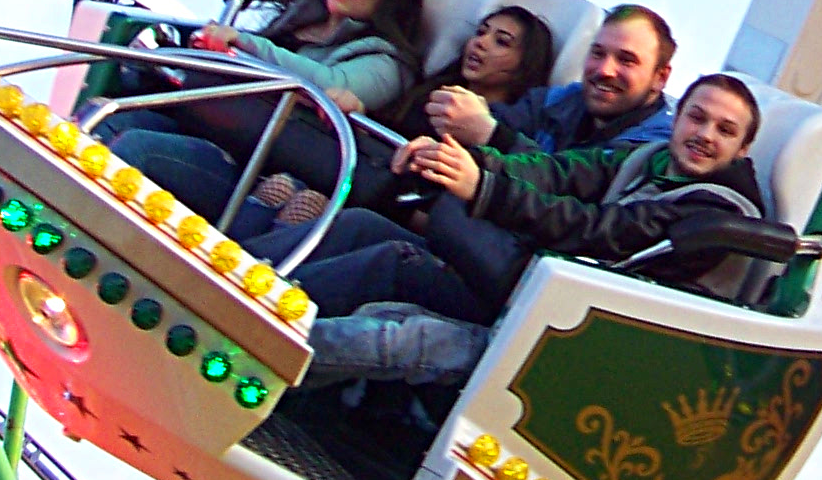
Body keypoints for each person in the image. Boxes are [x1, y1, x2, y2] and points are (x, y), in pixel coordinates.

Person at [293, 74, 773, 342]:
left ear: (744, 149)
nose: (704, 135)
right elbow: (557, 172)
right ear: (677, 119)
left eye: (725, 130)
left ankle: (277, 323)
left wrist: (483, 189)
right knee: (368, 230)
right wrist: (463, 161)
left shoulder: (719, 213)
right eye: (696, 118)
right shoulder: (647, 158)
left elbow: (598, 230)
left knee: (415, 258)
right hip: (540, 292)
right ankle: (264, 283)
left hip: (569, 331)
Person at [98, 0, 427, 221]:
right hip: (207, 126)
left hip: (258, 168)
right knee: (107, 118)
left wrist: (243, 43)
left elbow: (329, 84)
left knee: (136, 147)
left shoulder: (388, 64)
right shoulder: (294, 23)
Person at [235, 4, 559, 232]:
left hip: (397, 214)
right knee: (280, 187)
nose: (481, 43)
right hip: (353, 184)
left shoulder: (503, 137)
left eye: (501, 42)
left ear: (524, 64)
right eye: (481, 32)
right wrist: (358, 111)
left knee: (309, 205)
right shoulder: (426, 96)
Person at [421, 4, 677, 157]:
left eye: (626, 60)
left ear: (660, 77)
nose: (605, 70)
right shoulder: (555, 101)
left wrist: (494, 135)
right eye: (598, 54)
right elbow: (499, 121)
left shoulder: (655, 149)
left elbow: (572, 193)